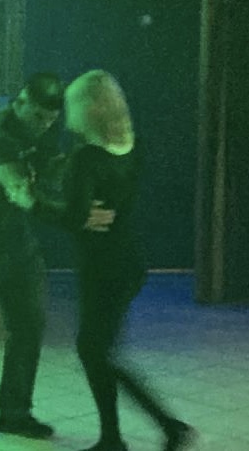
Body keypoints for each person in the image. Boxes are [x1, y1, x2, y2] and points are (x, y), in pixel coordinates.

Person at [0, 72, 114, 438]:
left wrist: (82, 162)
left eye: (50, 120)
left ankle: (15, 413)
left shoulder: (44, 130)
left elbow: (51, 174)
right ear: (19, 102)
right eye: (36, 117)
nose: (43, 126)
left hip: (17, 244)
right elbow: (20, 191)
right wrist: (77, 215)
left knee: (29, 327)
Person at [62, 70, 197, 451]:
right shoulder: (132, 146)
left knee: (94, 351)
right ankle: (115, 436)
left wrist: (31, 200)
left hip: (100, 265)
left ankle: (167, 427)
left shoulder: (85, 158)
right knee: (99, 351)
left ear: (89, 108)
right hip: (128, 261)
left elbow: (73, 216)